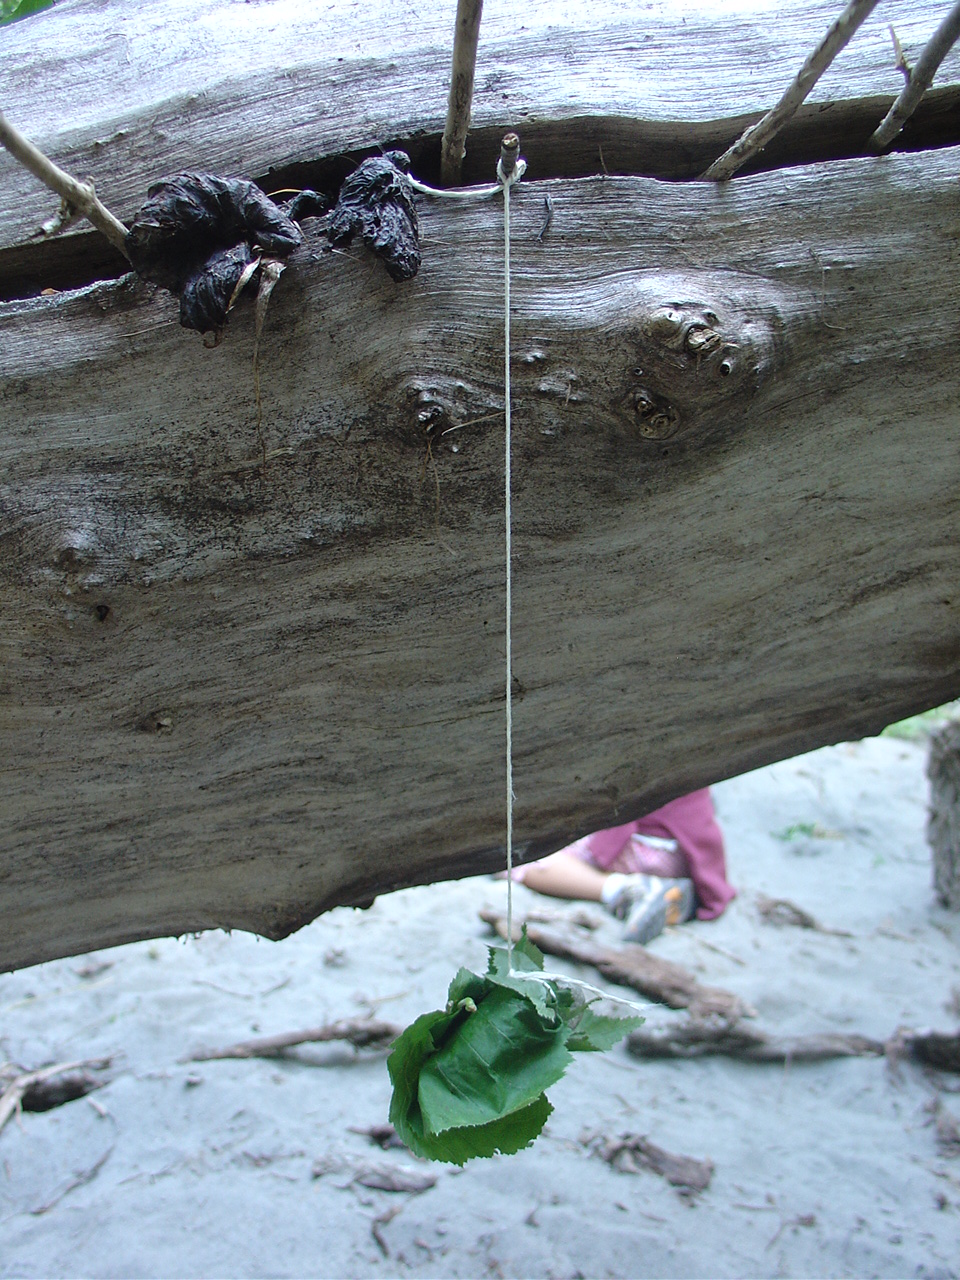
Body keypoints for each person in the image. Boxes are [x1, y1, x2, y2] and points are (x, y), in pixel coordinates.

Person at [510, 789, 735, 945]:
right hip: (687, 855)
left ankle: (627, 889)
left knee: (515, 857)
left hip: (647, 850)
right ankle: (668, 890)